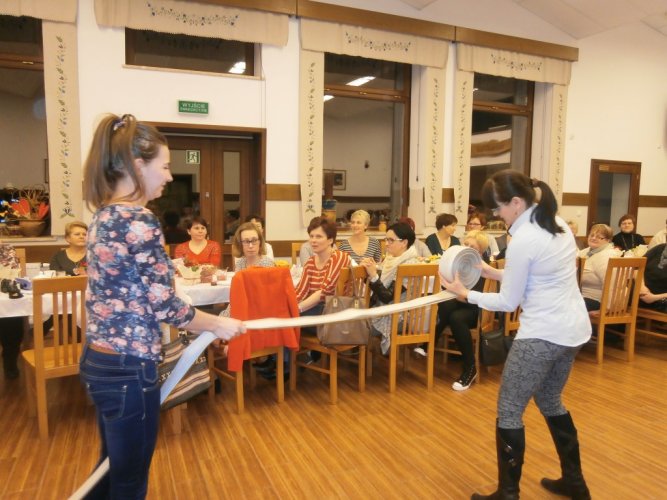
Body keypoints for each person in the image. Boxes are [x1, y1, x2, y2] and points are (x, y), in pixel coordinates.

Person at [79, 113, 244, 498]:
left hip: (100, 361)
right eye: (165, 166)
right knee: (128, 480)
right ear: (138, 166)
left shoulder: (103, 215)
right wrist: (218, 324)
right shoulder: (140, 220)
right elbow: (167, 306)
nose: (169, 176)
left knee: (109, 469)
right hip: (128, 368)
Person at [442, 170, 591, 500]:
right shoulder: (557, 223)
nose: (498, 215)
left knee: (509, 409)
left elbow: (509, 301)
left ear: (516, 202)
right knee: (550, 400)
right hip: (572, 331)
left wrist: (466, 294)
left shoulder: (524, 239)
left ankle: (508, 494)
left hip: (542, 334)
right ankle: (575, 483)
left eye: (498, 209)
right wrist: (490, 271)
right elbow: (538, 276)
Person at [414, 230, 490, 393]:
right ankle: (431, 345)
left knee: (455, 316)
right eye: (466, 244)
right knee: (447, 306)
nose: (467, 248)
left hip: (478, 309)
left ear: (480, 252)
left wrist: (454, 291)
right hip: (460, 304)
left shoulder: (482, 267)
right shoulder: (460, 264)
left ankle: (470, 368)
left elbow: (472, 298)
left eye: (472, 247)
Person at [360, 222, 421, 355]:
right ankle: (359, 359)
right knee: (351, 318)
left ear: (404, 243)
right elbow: (379, 287)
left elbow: (387, 297)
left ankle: (356, 361)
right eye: (386, 239)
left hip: (399, 316)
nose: (386, 244)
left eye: (391, 240)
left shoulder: (409, 265)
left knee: (355, 325)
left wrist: (373, 275)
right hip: (384, 310)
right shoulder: (391, 259)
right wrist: (367, 271)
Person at [296, 217, 350, 317]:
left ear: (330, 240)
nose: (313, 240)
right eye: (311, 236)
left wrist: (297, 309)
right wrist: (288, 308)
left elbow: (325, 291)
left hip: (336, 313)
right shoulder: (310, 263)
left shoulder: (339, 257)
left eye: (318, 237)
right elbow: (300, 292)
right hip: (316, 310)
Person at [578, 224, 621, 311]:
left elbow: (612, 286)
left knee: (566, 305)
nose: (593, 238)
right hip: (581, 296)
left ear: (608, 240)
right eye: (592, 235)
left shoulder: (607, 256)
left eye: (599, 237)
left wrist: (606, 309)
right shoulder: (586, 252)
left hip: (598, 300)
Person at [0, 242, 24, 379]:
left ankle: (10, 360)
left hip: (4, 293)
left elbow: (11, 275)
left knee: (12, 315)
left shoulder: (6, 249)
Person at [639, 243, 667, 313]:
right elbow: (638, 267)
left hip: (661, 298)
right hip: (641, 291)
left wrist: (653, 297)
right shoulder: (660, 248)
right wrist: (642, 287)